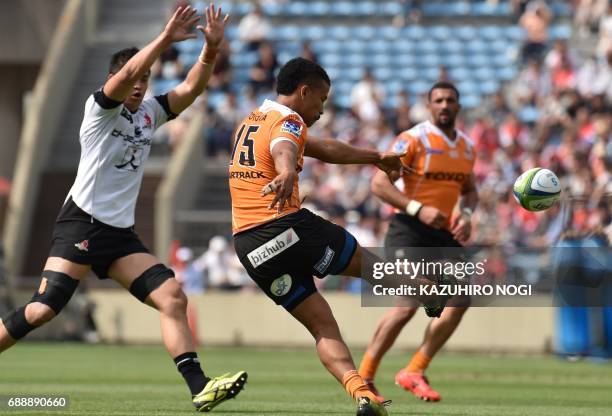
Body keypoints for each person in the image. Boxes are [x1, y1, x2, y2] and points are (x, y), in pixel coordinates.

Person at [0, 5, 246, 413]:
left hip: (118, 234)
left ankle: (200, 386)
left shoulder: (148, 113)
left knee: (173, 297)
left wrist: (210, 52)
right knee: (43, 309)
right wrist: (163, 40)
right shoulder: (99, 109)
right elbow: (129, 72)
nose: (140, 85)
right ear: (118, 78)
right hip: (82, 222)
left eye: (146, 79)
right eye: (135, 77)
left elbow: (189, 90)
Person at [228, 57, 444, 416]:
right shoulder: (289, 120)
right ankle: (424, 289)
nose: (323, 109)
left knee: (322, 326)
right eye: (322, 99)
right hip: (284, 227)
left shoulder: (249, 122)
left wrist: (375, 156)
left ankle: (363, 395)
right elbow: (285, 148)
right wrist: (285, 173)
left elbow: (324, 149)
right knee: (367, 265)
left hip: (250, 248)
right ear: (304, 91)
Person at [359, 82, 479, 403]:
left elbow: (470, 191)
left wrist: (465, 215)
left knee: (459, 301)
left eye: (450, 100)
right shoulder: (414, 140)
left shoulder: (467, 147)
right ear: (429, 106)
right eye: (438, 100)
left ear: (458, 106)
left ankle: (414, 370)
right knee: (409, 303)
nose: (444, 105)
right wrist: (416, 208)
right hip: (408, 228)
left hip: (442, 234)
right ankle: (366, 377)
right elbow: (379, 183)